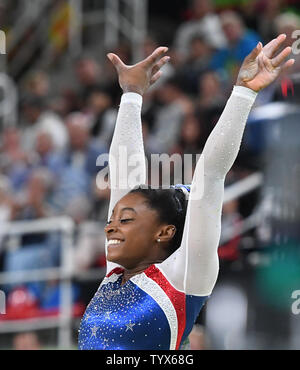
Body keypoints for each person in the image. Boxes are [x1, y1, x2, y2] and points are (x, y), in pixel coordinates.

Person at [78, 35, 294, 350]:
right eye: (115, 218)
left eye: (126, 220)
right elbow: (124, 173)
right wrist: (132, 96)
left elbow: (210, 175)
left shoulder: (183, 278)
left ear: (164, 232)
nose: (110, 226)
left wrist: (244, 93)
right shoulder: (116, 276)